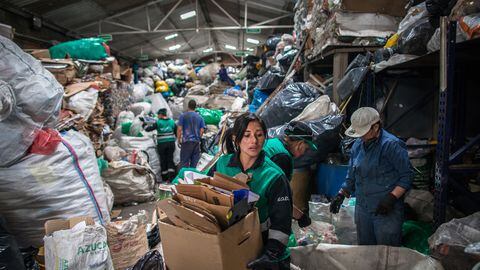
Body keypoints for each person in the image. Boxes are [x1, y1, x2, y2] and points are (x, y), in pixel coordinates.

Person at [213, 113, 293, 270]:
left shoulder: (274, 176)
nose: (254, 141)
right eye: (247, 135)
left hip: (263, 247)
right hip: (231, 242)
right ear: (236, 138)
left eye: (259, 135)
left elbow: (282, 222)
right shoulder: (221, 165)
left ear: (265, 137)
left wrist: (270, 255)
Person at [330, 107, 412, 246]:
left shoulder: (391, 145)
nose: (360, 136)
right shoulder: (358, 145)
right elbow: (352, 174)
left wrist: (392, 197)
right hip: (363, 209)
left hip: (386, 210)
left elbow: (407, 175)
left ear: (375, 127)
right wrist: (341, 194)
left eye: (363, 132)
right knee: (366, 252)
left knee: (387, 254)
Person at [143, 108, 176, 182]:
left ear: (161, 115)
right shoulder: (171, 122)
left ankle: (164, 177)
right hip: (171, 143)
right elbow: (176, 131)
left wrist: (144, 125)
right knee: (170, 159)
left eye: (158, 114)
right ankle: (171, 177)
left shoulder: (158, 122)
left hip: (162, 144)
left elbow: (148, 129)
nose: (157, 116)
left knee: (163, 160)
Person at [177, 99, 205, 169]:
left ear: (188, 106)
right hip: (196, 142)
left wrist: (178, 139)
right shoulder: (200, 117)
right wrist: (198, 138)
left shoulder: (183, 116)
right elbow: (202, 130)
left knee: (184, 163)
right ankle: (192, 178)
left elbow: (179, 129)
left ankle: (183, 178)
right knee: (194, 164)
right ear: (195, 107)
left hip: (186, 141)